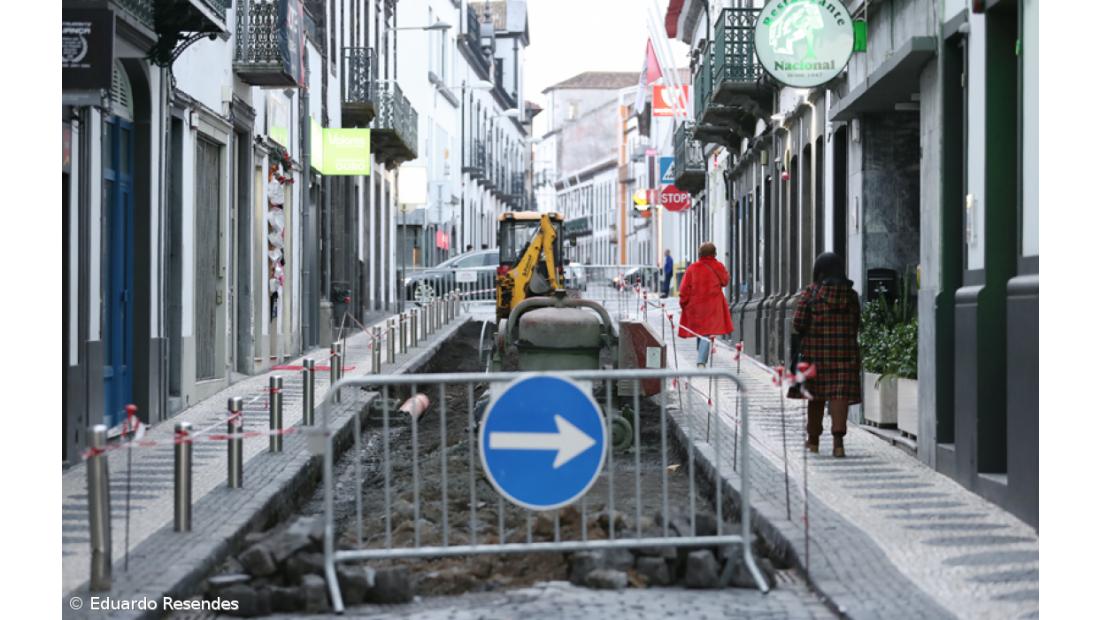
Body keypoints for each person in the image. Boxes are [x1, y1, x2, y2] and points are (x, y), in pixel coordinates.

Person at [788, 252, 861, 458]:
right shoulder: (851, 295)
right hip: (845, 353)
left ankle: (813, 441)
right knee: (840, 396)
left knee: (816, 396)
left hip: (816, 354)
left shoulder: (811, 294)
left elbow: (798, 323)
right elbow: (857, 323)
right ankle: (838, 444)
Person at [677, 242, 733, 368]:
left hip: (696, 306)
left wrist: (683, 303)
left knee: (703, 332)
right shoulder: (718, 266)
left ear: (700, 254)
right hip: (713, 306)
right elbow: (725, 281)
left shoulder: (692, 268)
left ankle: (701, 360)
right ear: (714, 254)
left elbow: (684, 288)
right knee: (705, 332)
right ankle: (701, 360)